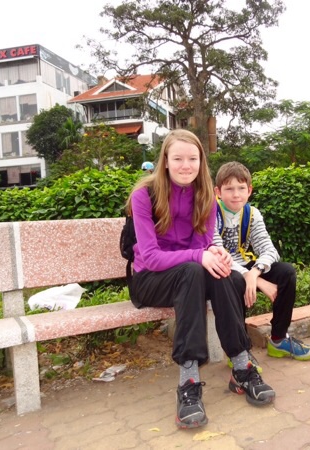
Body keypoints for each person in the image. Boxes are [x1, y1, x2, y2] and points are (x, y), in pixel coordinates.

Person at [124, 130, 275, 430]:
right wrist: (199, 256)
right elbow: (151, 257)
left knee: (222, 273)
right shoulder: (144, 195)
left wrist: (215, 253)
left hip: (188, 279)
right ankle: (189, 381)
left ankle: (241, 366)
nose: (186, 165)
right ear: (165, 161)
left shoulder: (205, 196)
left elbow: (204, 246)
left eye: (192, 159)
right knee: (194, 270)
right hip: (149, 281)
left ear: (201, 162)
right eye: (178, 158)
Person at [213, 161, 310, 361]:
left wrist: (255, 272)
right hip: (221, 268)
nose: (236, 194)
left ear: (249, 190)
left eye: (241, 188)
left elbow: (269, 250)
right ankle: (239, 351)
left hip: (246, 267)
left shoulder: (252, 214)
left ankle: (279, 338)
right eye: (229, 189)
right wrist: (254, 279)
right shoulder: (210, 213)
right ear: (218, 192)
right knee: (234, 281)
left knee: (286, 272)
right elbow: (217, 254)